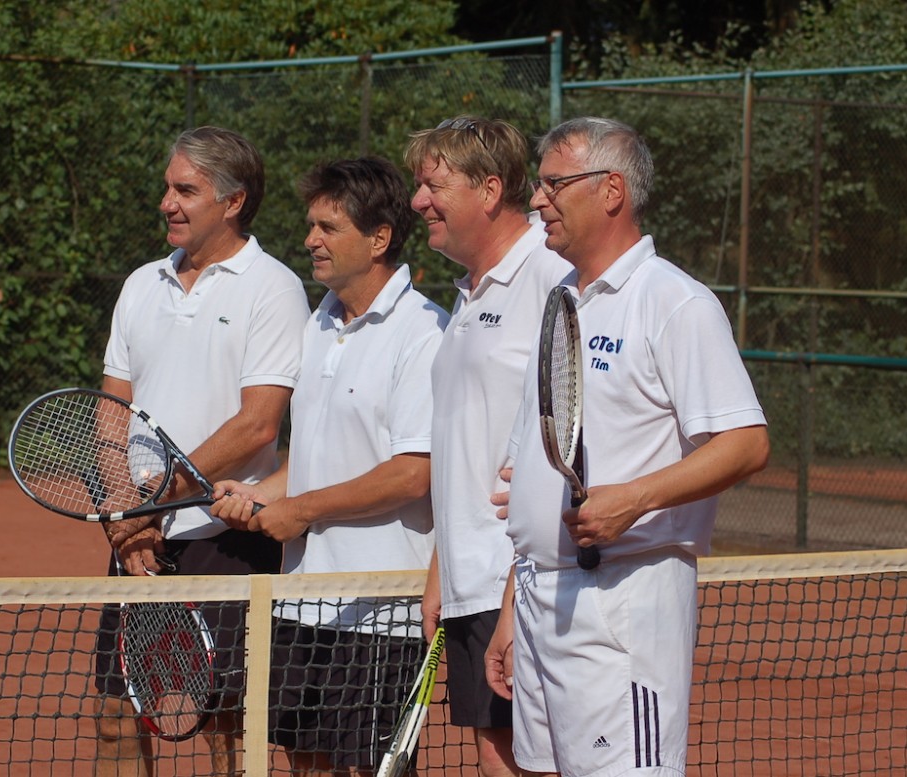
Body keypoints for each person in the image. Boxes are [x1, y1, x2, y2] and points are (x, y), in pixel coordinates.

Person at [485, 117, 770, 777]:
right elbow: (535, 465)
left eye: (554, 184)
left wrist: (634, 498)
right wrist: (512, 603)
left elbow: (746, 443)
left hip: (621, 604)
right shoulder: (562, 301)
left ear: (611, 190)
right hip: (540, 601)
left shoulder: (674, 302)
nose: (536, 201)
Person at [209, 156, 448, 776]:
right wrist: (263, 492)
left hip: (384, 609)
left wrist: (299, 511)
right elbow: (314, 455)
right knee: (306, 764)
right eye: (311, 224)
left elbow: (413, 472)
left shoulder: (424, 333)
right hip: (302, 599)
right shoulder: (319, 322)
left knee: (371, 770)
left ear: (379, 239)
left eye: (328, 228)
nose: (311, 240)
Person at [93, 126, 310, 777]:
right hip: (138, 536)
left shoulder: (272, 288)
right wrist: (123, 518)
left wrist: (152, 504)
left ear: (234, 200)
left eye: (185, 189)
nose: (167, 201)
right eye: (167, 187)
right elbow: (111, 412)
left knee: (228, 729)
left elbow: (257, 424)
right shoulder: (141, 284)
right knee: (114, 715)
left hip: (228, 532)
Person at [404, 116, 570, 777]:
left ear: (490, 189)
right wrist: (446, 562)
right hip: (472, 582)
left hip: (528, 581)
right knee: (495, 759)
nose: (419, 201)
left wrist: (510, 576)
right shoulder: (467, 296)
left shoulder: (552, 279)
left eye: (433, 184)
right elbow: (469, 442)